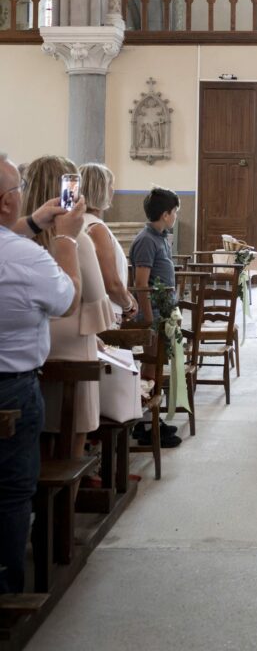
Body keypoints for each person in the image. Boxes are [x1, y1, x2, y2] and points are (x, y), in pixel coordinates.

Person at [0, 153, 83, 594]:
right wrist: (66, 240)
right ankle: (7, 591)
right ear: (6, 204)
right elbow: (67, 300)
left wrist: (32, 222)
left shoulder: (18, 242)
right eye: (16, 190)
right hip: (10, 390)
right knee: (12, 494)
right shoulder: (27, 259)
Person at [22, 156, 116, 458]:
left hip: (28, 349)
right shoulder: (75, 240)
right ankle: (65, 499)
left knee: (33, 436)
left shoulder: (14, 237)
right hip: (72, 343)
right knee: (73, 430)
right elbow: (96, 297)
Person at [128, 187, 181, 447]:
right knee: (149, 368)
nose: (175, 217)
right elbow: (141, 283)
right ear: (165, 214)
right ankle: (144, 424)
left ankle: (152, 420)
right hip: (153, 316)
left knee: (156, 367)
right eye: (174, 212)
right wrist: (148, 321)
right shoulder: (147, 240)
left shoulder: (160, 237)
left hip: (163, 313)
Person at [79, 162, 137, 324]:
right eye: (111, 185)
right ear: (101, 190)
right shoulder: (96, 228)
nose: (113, 190)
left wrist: (125, 294)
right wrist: (128, 304)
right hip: (103, 314)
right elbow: (110, 283)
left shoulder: (77, 222)